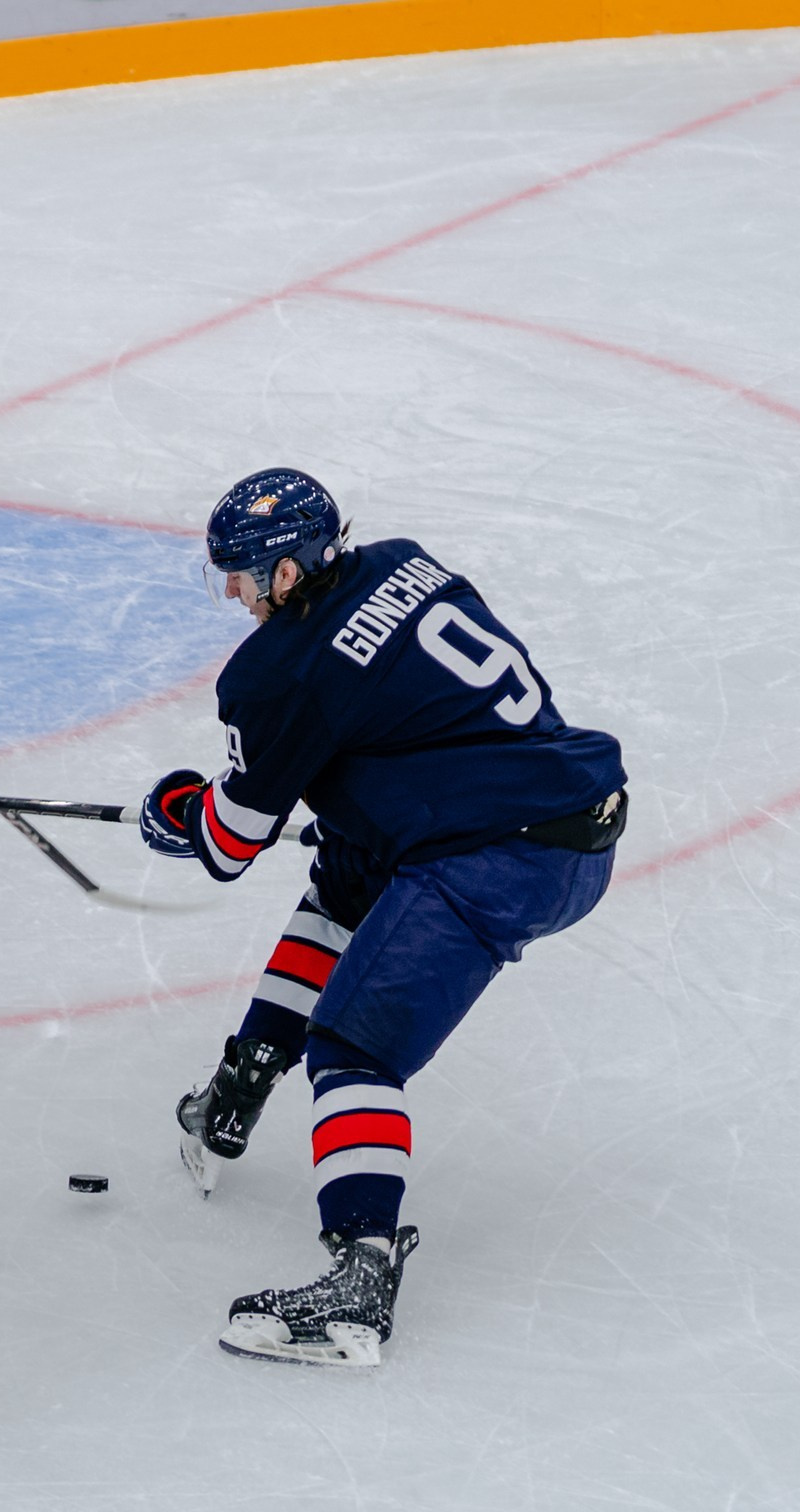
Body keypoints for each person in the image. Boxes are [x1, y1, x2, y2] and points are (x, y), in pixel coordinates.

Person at [139, 467, 625, 1368]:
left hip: (506, 856)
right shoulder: (402, 563)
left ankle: (358, 1284)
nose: (236, 596)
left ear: (287, 573)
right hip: (566, 815)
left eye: (244, 576)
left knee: (355, 1051)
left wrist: (174, 812)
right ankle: (242, 1082)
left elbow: (229, 842)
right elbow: (404, 718)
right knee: (346, 872)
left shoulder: (279, 670)